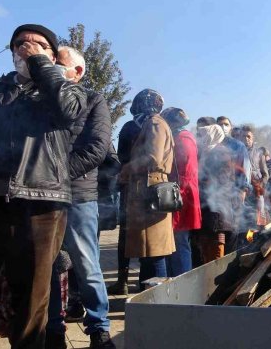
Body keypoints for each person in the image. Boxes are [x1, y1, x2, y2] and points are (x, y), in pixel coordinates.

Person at [0, 24, 86, 347]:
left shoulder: (63, 89)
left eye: (35, 44)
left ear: (53, 56)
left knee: (30, 307)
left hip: (39, 204)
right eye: (19, 44)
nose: (25, 48)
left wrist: (43, 67)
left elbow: (70, 112)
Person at [45, 46, 115, 349]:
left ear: (78, 72)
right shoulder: (43, 99)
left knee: (87, 265)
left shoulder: (94, 100)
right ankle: (53, 328)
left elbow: (97, 148)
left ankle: (99, 327)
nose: (54, 70)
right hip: (43, 197)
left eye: (60, 65)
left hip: (79, 196)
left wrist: (58, 177)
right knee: (48, 265)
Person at [119, 89, 175, 291]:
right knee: (147, 253)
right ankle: (146, 296)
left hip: (150, 191)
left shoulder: (154, 123)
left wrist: (126, 169)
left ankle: (158, 300)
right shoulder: (155, 123)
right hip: (147, 189)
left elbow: (152, 158)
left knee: (154, 251)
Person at [107, 100, 144, 295]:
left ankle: (123, 281)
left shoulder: (131, 126)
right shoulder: (155, 125)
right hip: (142, 189)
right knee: (135, 235)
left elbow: (121, 158)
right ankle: (135, 281)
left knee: (127, 235)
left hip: (131, 188)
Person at [161, 108, 201, 276]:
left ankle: (180, 280)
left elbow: (177, 170)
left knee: (180, 243)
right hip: (185, 194)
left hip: (181, 196)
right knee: (180, 242)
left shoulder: (181, 140)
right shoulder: (188, 137)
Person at [196, 124, 239, 262]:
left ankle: (215, 281)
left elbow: (222, 179)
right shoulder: (208, 152)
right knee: (206, 249)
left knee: (216, 251)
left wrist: (203, 182)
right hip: (209, 206)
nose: (201, 138)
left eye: (205, 134)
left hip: (218, 207)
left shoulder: (221, 153)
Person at [241, 125, 269, 226]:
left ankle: (261, 236)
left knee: (259, 214)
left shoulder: (258, 153)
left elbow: (265, 174)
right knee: (245, 217)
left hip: (257, 189)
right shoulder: (237, 152)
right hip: (243, 189)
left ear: (253, 138)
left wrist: (261, 185)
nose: (246, 138)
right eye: (244, 136)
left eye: (248, 136)